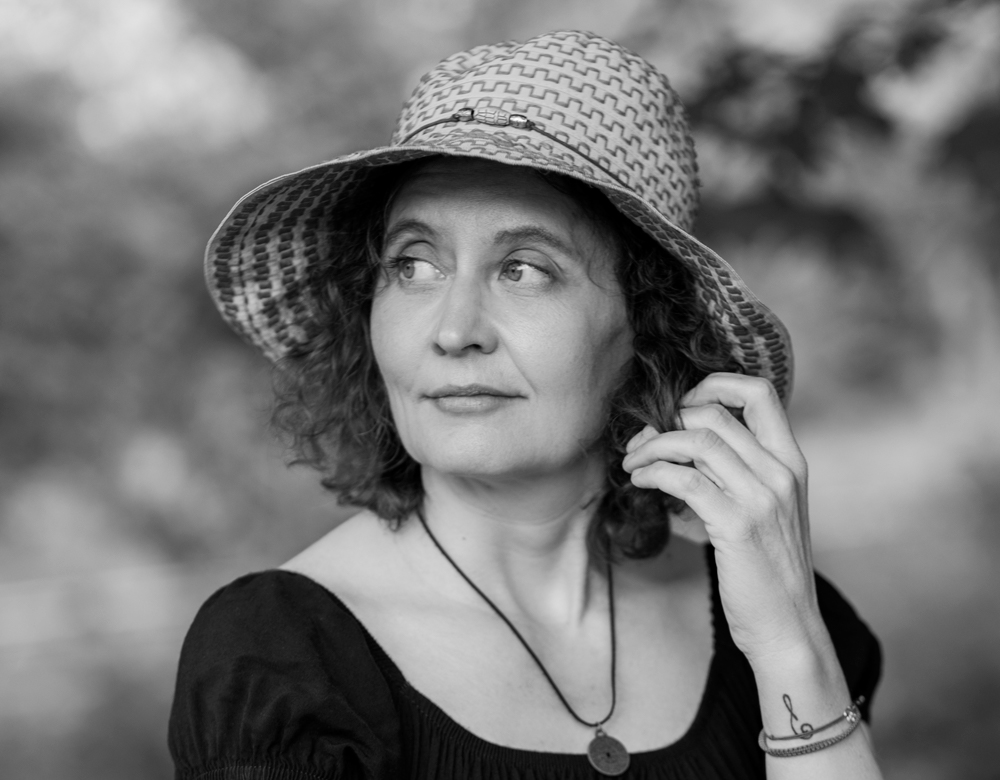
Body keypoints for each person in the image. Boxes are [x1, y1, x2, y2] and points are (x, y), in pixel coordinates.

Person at [168, 30, 883, 779]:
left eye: (524, 269)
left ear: (646, 326)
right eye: (412, 264)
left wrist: (788, 642)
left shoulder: (781, 616)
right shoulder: (282, 662)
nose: (454, 331)